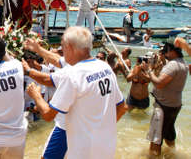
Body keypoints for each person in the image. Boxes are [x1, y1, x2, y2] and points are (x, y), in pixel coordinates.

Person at [26, 26, 127, 159]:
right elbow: (122, 107)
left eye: (62, 47)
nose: (62, 51)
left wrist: (36, 95)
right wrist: (101, 130)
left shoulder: (73, 74)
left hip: (82, 151)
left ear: (70, 47)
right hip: (106, 147)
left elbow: (48, 115)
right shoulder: (105, 67)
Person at [146, 42, 188, 156]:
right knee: (169, 133)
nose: (165, 52)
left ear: (172, 51)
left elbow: (159, 84)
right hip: (175, 105)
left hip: (163, 106)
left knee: (156, 138)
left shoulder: (172, 65)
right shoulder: (183, 63)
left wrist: (149, 71)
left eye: (166, 50)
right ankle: (173, 155)